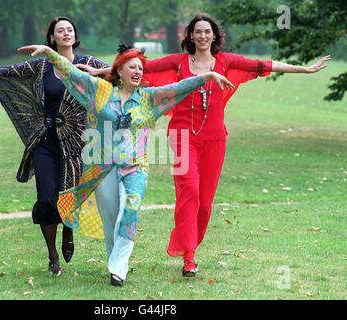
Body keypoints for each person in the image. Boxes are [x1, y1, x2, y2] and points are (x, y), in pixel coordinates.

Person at [78, 12, 331, 278]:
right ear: (190, 36)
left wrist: (305, 68)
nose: (202, 36)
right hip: (182, 137)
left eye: (207, 32)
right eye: (197, 32)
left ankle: (190, 248)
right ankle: (189, 258)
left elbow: (262, 64)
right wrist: (101, 71)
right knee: (190, 190)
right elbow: (140, 67)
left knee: (205, 203)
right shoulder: (178, 63)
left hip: (214, 139)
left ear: (214, 35)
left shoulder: (226, 61)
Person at [17, 42, 235, 286]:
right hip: (103, 168)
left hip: (135, 167)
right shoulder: (100, 91)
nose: (138, 72)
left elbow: (178, 88)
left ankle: (119, 269)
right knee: (111, 218)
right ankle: (115, 263)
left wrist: (206, 76)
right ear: (119, 70)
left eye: (141, 68)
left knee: (129, 212)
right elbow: (73, 74)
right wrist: (50, 52)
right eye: (132, 67)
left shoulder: (149, 98)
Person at [0, 17, 109, 276]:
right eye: (60, 30)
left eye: (70, 30)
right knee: (46, 198)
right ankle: (53, 256)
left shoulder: (90, 64)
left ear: (75, 37)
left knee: (69, 197)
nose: (65, 33)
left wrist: (112, 74)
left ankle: (68, 231)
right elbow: (3, 71)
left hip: (77, 143)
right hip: (45, 141)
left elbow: (121, 74)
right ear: (52, 38)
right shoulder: (41, 66)